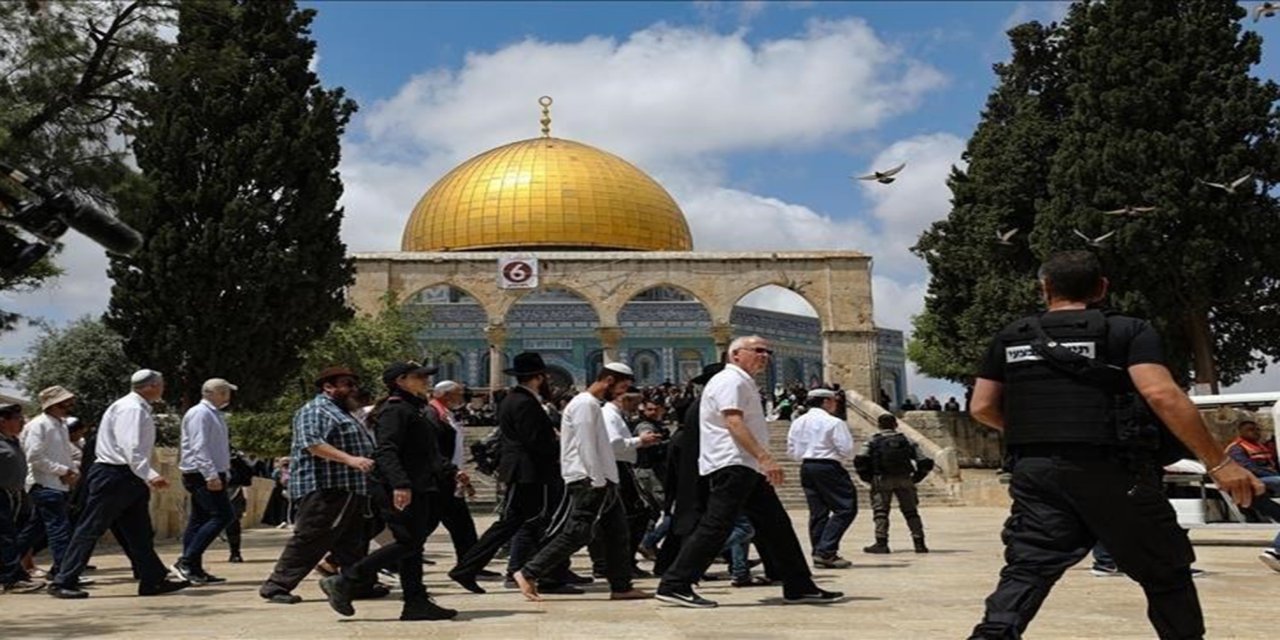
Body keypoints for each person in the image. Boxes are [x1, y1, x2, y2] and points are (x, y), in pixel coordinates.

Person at [966, 251, 1263, 639]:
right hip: (1114, 469)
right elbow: (1161, 394)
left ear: (1045, 288)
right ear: (1102, 288)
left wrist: (1036, 431)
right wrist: (1219, 463)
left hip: (1035, 471)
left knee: (1028, 568)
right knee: (1165, 573)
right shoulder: (1127, 331)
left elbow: (982, 406)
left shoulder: (1011, 336)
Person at [656, 335, 842, 608]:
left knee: (777, 526)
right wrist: (765, 458)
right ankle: (675, 584)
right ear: (735, 355)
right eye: (757, 350)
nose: (764, 355)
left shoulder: (742, 381)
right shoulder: (729, 380)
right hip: (733, 464)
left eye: (768, 351)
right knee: (716, 525)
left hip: (746, 466)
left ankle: (799, 585)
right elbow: (733, 421)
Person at [320, 361, 457, 621]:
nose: (425, 381)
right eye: (419, 376)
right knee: (408, 542)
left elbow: (425, 452)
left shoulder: (412, 408)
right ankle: (344, 580)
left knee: (414, 546)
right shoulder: (395, 411)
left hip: (418, 484)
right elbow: (386, 450)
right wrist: (400, 484)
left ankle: (416, 602)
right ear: (401, 380)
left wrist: (449, 471)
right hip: (400, 486)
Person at [512, 362, 650, 602]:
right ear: (608, 380)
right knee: (577, 533)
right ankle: (528, 572)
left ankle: (621, 586)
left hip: (604, 478)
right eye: (621, 387)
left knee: (618, 533)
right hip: (589, 479)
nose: (620, 393)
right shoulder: (584, 405)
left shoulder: (593, 405)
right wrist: (597, 480)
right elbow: (586, 445)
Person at [48, 369, 191, 599]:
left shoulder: (136, 407)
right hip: (116, 476)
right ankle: (63, 580)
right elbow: (131, 446)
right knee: (90, 528)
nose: (163, 389)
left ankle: (152, 579)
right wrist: (150, 473)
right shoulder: (131, 409)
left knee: (139, 532)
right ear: (151, 386)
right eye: (161, 384)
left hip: (127, 477)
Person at [449, 352, 564, 594]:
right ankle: (526, 572)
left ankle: (532, 572)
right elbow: (535, 441)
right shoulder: (524, 402)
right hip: (529, 473)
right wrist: (561, 443)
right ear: (539, 377)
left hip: (524, 472)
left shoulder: (514, 399)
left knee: (525, 523)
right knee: (521, 523)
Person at [259, 366, 376, 605]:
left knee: (352, 540)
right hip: (324, 487)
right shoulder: (316, 410)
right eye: (347, 384)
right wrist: (351, 459)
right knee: (311, 537)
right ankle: (276, 585)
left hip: (348, 487)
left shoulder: (341, 412)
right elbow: (312, 444)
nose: (353, 389)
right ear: (328, 386)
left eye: (354, 384)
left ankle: (357, 584)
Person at [173, 378, 239, 585]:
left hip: (211, 473)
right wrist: (210, 474)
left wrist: (222, 472)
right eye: (226, 392)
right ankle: (186, 561)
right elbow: (198, 446)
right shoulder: (200, 413)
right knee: (222, 516)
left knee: (199, 520)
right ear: (217, 393)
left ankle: (194, 568)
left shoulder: (213, 414)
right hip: (201, 474)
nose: (229, 396)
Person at [592, 390, 661, 578]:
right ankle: (616, 563)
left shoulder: (616, 415)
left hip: (621, 467)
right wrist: (640, 440)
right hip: (617, 467)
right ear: (623, 398)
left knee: (629, 515)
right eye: (635, 402)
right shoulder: (609, 415)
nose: (637, 408)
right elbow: (613, 444)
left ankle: (622, 562)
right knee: (633, 515)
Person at [786, 388, 857, 568]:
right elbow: (847, 449)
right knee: (846, 508)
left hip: (807, 466)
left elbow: (792, 450)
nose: (835, 405)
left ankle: (819, 551)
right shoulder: (833, 422)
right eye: (834, 401)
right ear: (826, 402)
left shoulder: (798, 422)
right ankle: (826, 550)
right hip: (828, 467)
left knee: (818, 512)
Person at [18, 386, 79, 579]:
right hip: (44, 485)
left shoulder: (60, 424)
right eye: (65, 403)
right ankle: (63, 573)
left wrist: (71, 471)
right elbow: (34, 456)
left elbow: (64, 454)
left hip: (58, 485)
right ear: (53, 404)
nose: (69, 406)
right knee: (59, 531)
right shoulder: (39, 425)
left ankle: (7, 564)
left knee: (33, 531)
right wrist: (63, 471)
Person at [854, 414, 932, 554]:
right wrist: (917, 477)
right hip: (905, 478)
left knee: (881, 512)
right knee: (911, 512)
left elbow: (860, 459)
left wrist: (867, 478)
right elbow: (924, 461)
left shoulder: (873, 440)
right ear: (895, 424)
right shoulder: (907, 440)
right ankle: (919, 543)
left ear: (879, 425)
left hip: (881, 479)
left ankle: (881, 543)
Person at [426, 380, 483, 567]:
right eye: (458, 393)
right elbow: (433, 451)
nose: (461, 397)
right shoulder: (432, 415)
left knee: (462, 526)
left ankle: (470, 565)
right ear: (445, 395)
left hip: (451, 476)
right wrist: (453, 471)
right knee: (427, 525)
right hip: (440, 478)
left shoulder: (447, 415)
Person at [1221, 419, 1280, 572]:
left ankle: (1275, 552)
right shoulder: (1237, 448)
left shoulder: (1261, 446)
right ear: (1240, 432)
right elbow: (1248, 469)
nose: (1255, 432)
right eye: (1250, 430)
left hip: (1265, 484)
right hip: (1252, 484)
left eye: (1257, 429)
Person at [2, 402, 43, 593]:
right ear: (3, 421)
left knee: (12, 535)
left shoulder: (13, 441)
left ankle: (15, 575)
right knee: (6, 537)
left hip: (15, 494)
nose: (22, 422)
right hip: (1, 494)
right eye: (18, 419)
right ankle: (12, 579)